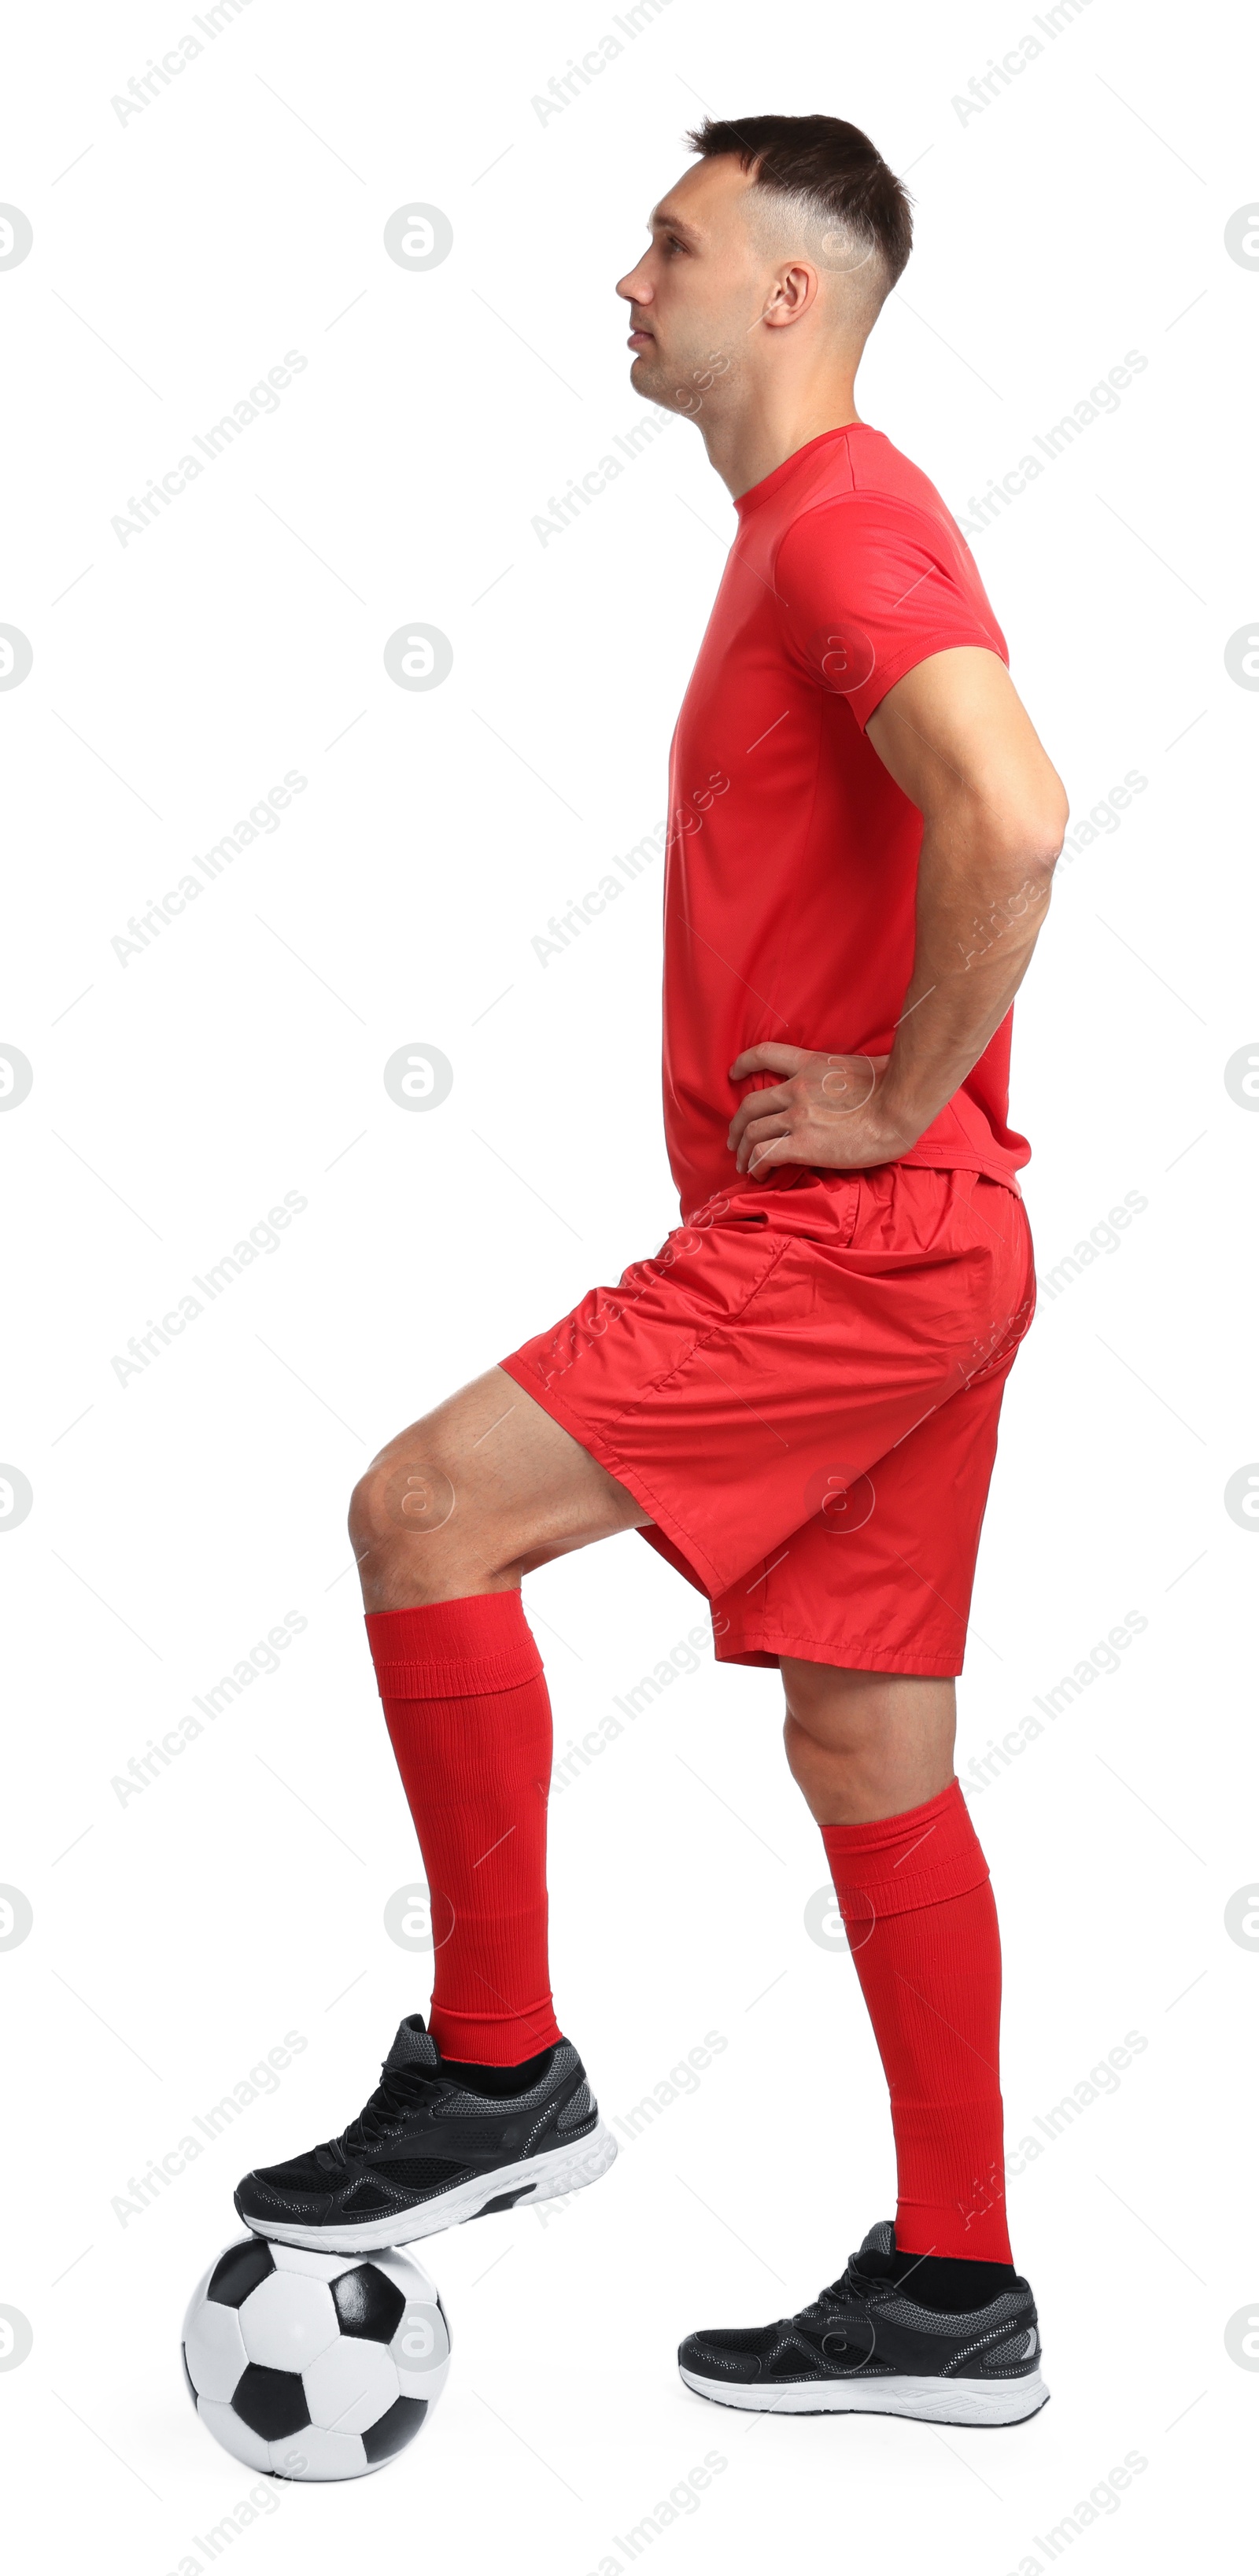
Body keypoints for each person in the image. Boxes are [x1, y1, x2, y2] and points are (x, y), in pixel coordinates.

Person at [236, 113, 1067, 2427]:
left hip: (862, 1238)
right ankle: (959, 2291)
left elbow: (1015, 805)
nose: (629, 277)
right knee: (869, 1747)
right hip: (917, 1251)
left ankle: (499, 2065)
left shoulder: (849, 522)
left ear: (789, 290)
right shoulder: (803, 529)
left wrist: (899, 1097)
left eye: (670, 242)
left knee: (421, 1511)